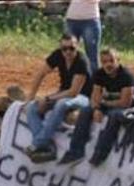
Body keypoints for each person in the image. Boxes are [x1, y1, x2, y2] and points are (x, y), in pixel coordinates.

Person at [58, 47, 134, 166]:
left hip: (132, 107)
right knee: (86, 110)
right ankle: (75, 152)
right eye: (104, 61)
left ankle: (100, 154)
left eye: (111, 61)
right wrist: (97, 109)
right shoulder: (99, 74)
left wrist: (103, 105)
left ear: (118, 60)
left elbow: (125, 103)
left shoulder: (126, 75)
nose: (108, 64)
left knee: (114, 116)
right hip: (112, 102)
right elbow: (94, 97)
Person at [24, 33, 93, 163]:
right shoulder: (57, 55)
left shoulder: (82, 61)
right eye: (64, 49)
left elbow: (73, 92)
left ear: (77, 47)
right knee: (32, 108)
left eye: (71, 48)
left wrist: (49, 98)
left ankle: (38, 144)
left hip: (83, 97)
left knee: (62, 104)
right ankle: (47, 147)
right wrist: (30, 97)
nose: (68, 52)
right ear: (60, 48)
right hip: (64, 93)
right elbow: (40, 74)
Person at [65, 0, 101, 72]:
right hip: (72, 19)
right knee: (68, 52)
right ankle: (69, 79)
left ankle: (94, 81)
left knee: (92, 55)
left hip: (90, 20)